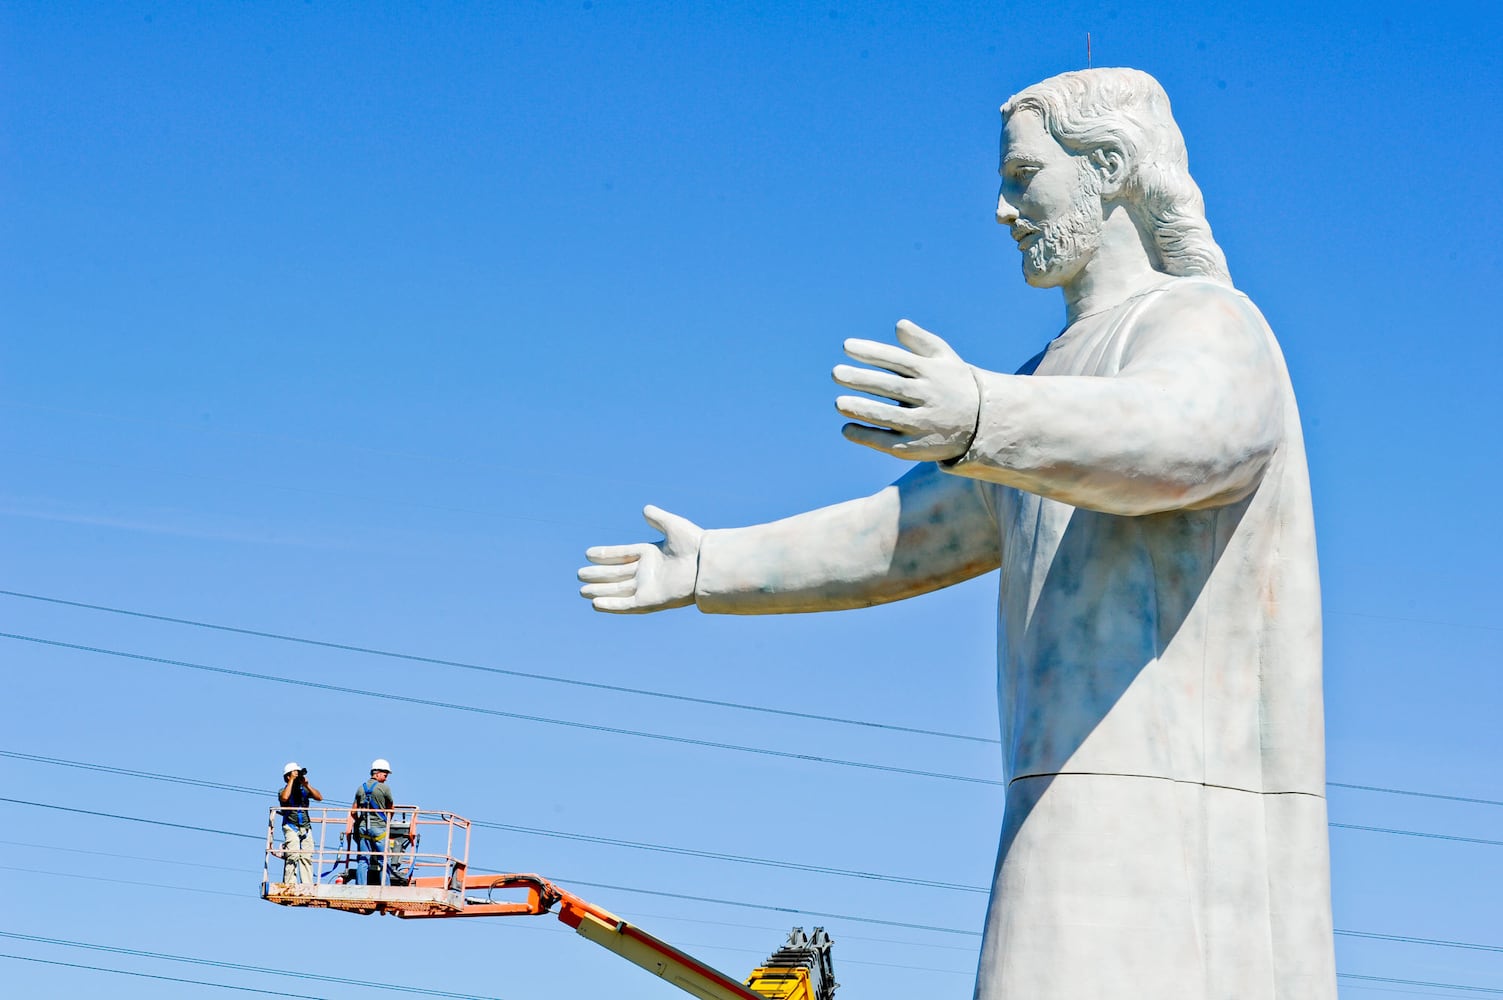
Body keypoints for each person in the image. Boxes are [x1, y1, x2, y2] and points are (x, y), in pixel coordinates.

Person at [579, 68, 1336, 999]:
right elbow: (903, 533)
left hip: (1171, 815)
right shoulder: (1050, 381)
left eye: (1022, 176)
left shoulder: (1209, 322)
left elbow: (1187, 436)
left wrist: (984, 414)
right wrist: (714, 565)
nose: (1002, 208)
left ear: (1106, 168)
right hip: (1067, 791)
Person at [346, 758, 395, 886]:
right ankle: (386, 886)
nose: (386, 778)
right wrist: (387, 821)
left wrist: (360, 821)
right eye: (385, 775)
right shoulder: (384, 788)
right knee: (384, 859)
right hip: (379, 828)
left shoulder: (360, 789)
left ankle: (360, 886)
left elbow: (353, 812)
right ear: (377, 773)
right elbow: (391, 809)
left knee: (363, 860)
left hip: (363, 829)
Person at [276, 761, 322, 884]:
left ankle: (307, 883)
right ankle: (290, 882)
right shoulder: (283, 790)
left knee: (306, 856)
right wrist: (291, 780)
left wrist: (307, 785)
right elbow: (285, 797)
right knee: (293, 854)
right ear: (287, 776)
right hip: (291, 826)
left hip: (306, 827)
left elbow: (319, 797)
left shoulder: (304, 790)